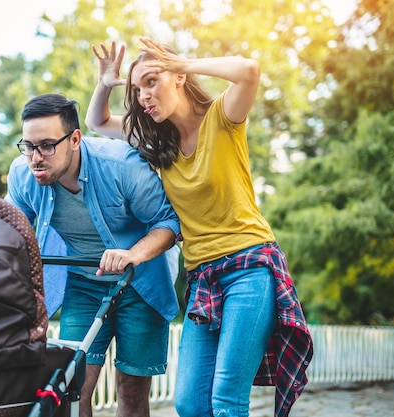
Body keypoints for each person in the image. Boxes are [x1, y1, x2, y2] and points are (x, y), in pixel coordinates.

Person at [85, 38, 314, 417]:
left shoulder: (222, 118)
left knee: (226, 399)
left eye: (152, 82)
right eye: (138, 88)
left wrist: (183, 62)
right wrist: (106, 83)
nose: (143, 95)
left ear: (178, 77)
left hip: (250, 268)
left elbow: (249, 71)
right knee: (190, 404)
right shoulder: (159, 141)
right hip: (203, 277)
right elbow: (96, 123)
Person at [5, 93, 181, 417]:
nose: (35, 157)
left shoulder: (121, 166)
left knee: (131, 390)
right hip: (84, 283)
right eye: (28, 146)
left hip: (141, 281)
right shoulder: (22, 176)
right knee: (74, 388)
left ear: (74, 139)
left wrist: (132, 254)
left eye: (46, 145)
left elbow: (169, 222)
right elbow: (9, 234)